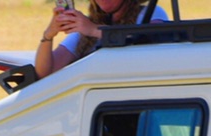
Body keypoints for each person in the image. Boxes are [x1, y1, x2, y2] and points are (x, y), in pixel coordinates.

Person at [35, 0, 166, 78]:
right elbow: (46, 72)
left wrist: (94, 30)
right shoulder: (88, 24)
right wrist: (48, 35)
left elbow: (151, 44)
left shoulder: (150, 13)